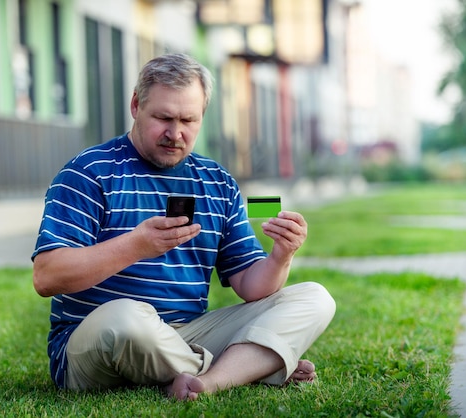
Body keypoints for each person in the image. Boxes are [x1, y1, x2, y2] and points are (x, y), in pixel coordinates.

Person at [32, 53, 336, 401]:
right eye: (163, 117)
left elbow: (252, 286)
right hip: (96, 340)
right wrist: (136, 245)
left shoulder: (216, 181)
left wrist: (282, 255)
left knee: (315, 298)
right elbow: (47, 276)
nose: (175, 133)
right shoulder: (88, 172)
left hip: (185, 334)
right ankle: (247, 368)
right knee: (125, 317)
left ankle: (208, 381)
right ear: (135, 105)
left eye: (188, 120)